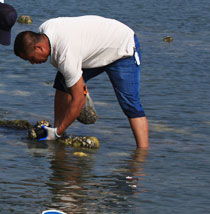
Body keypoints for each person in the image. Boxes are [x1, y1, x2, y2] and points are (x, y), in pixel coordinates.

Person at [14, 15, 149, 149]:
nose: (32, 63)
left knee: (130, 104)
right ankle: (57, 133)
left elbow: (78, 100)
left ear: (39, 48)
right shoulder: (45, 29)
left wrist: (58, 133)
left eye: (31, 58)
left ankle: (142, 155)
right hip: (96, 49)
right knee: (62, 83)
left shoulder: (66, 56)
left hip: (122, 47)